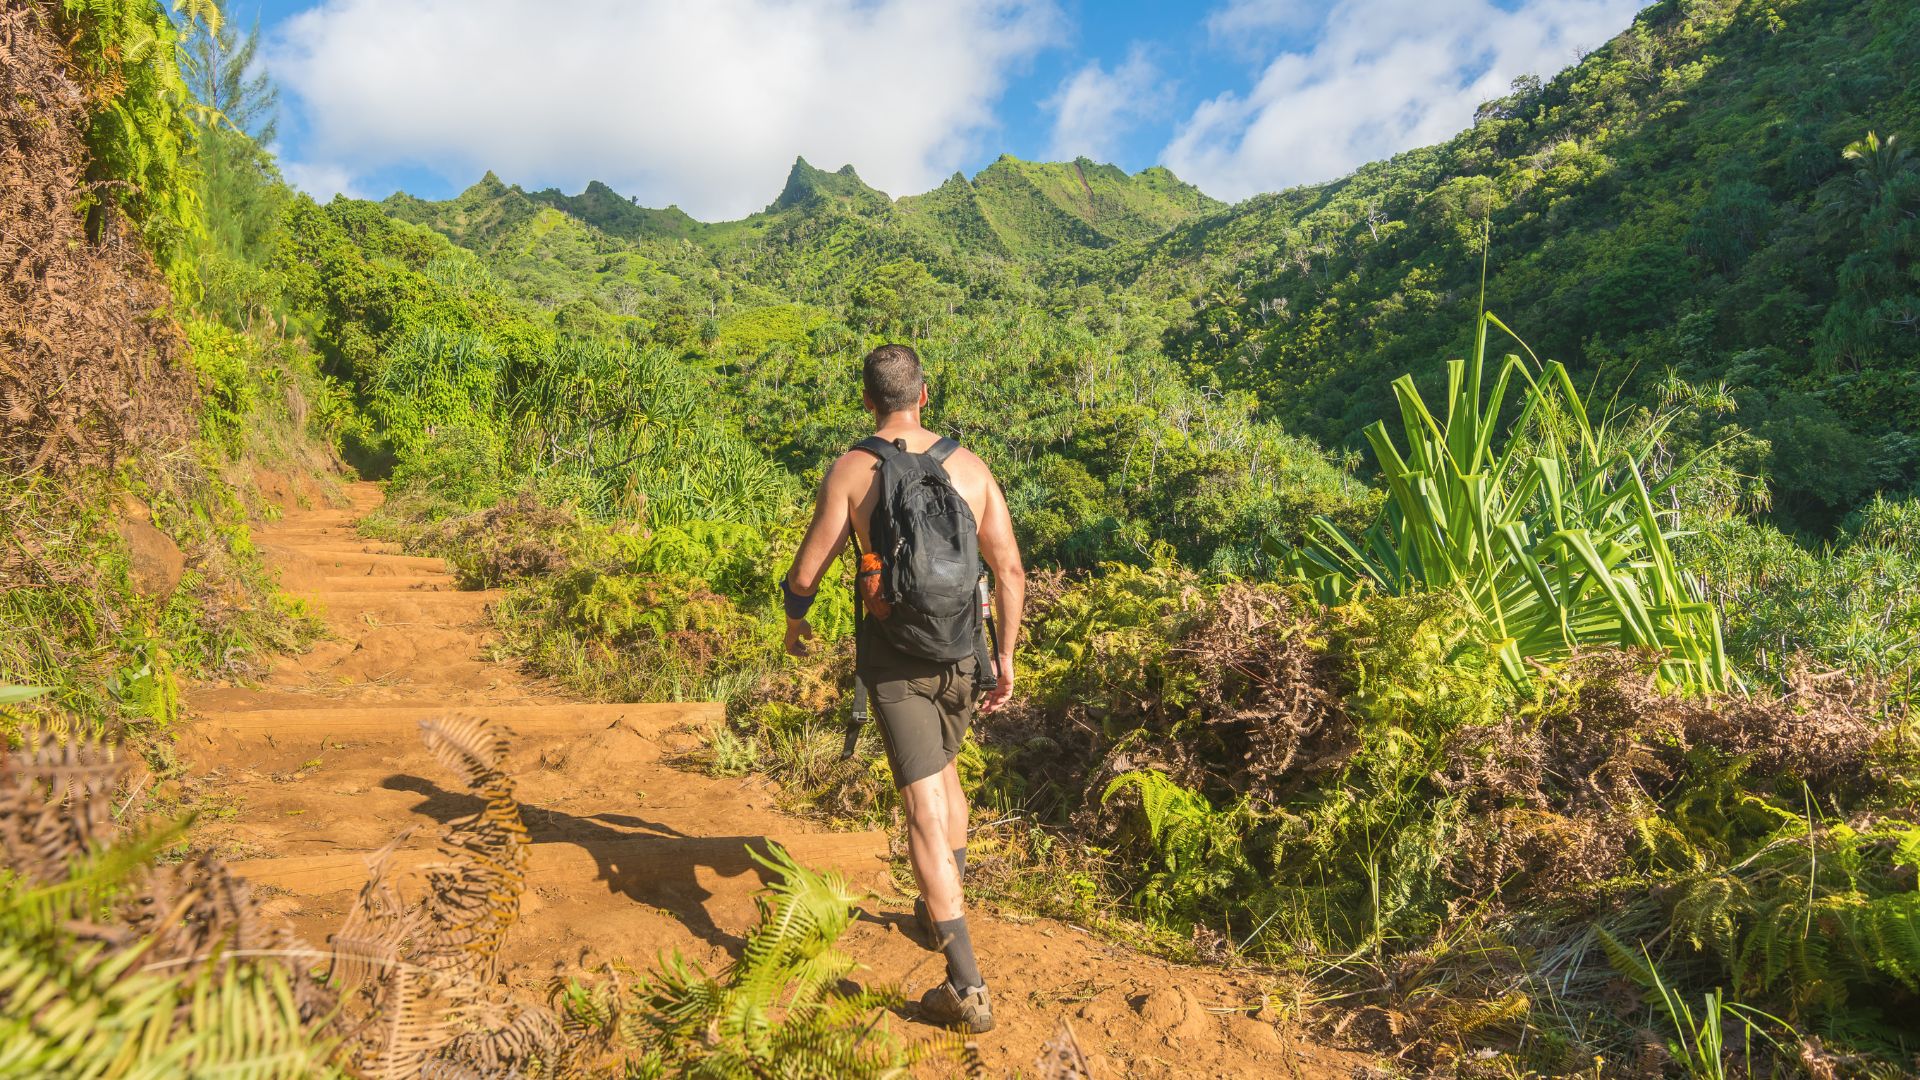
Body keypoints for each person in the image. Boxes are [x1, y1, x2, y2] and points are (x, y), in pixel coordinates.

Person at [780, 343, 1024, 1035]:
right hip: (963, 656)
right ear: (925, 395)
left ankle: (967, 985)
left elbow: (806, 573)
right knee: (945, 780)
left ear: (867, 400)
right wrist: (1003, 657)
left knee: (922, 806)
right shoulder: (970, 467)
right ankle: (933, 908)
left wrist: (796, 624)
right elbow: (1008, 571)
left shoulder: (853, 469)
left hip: (895, 663)